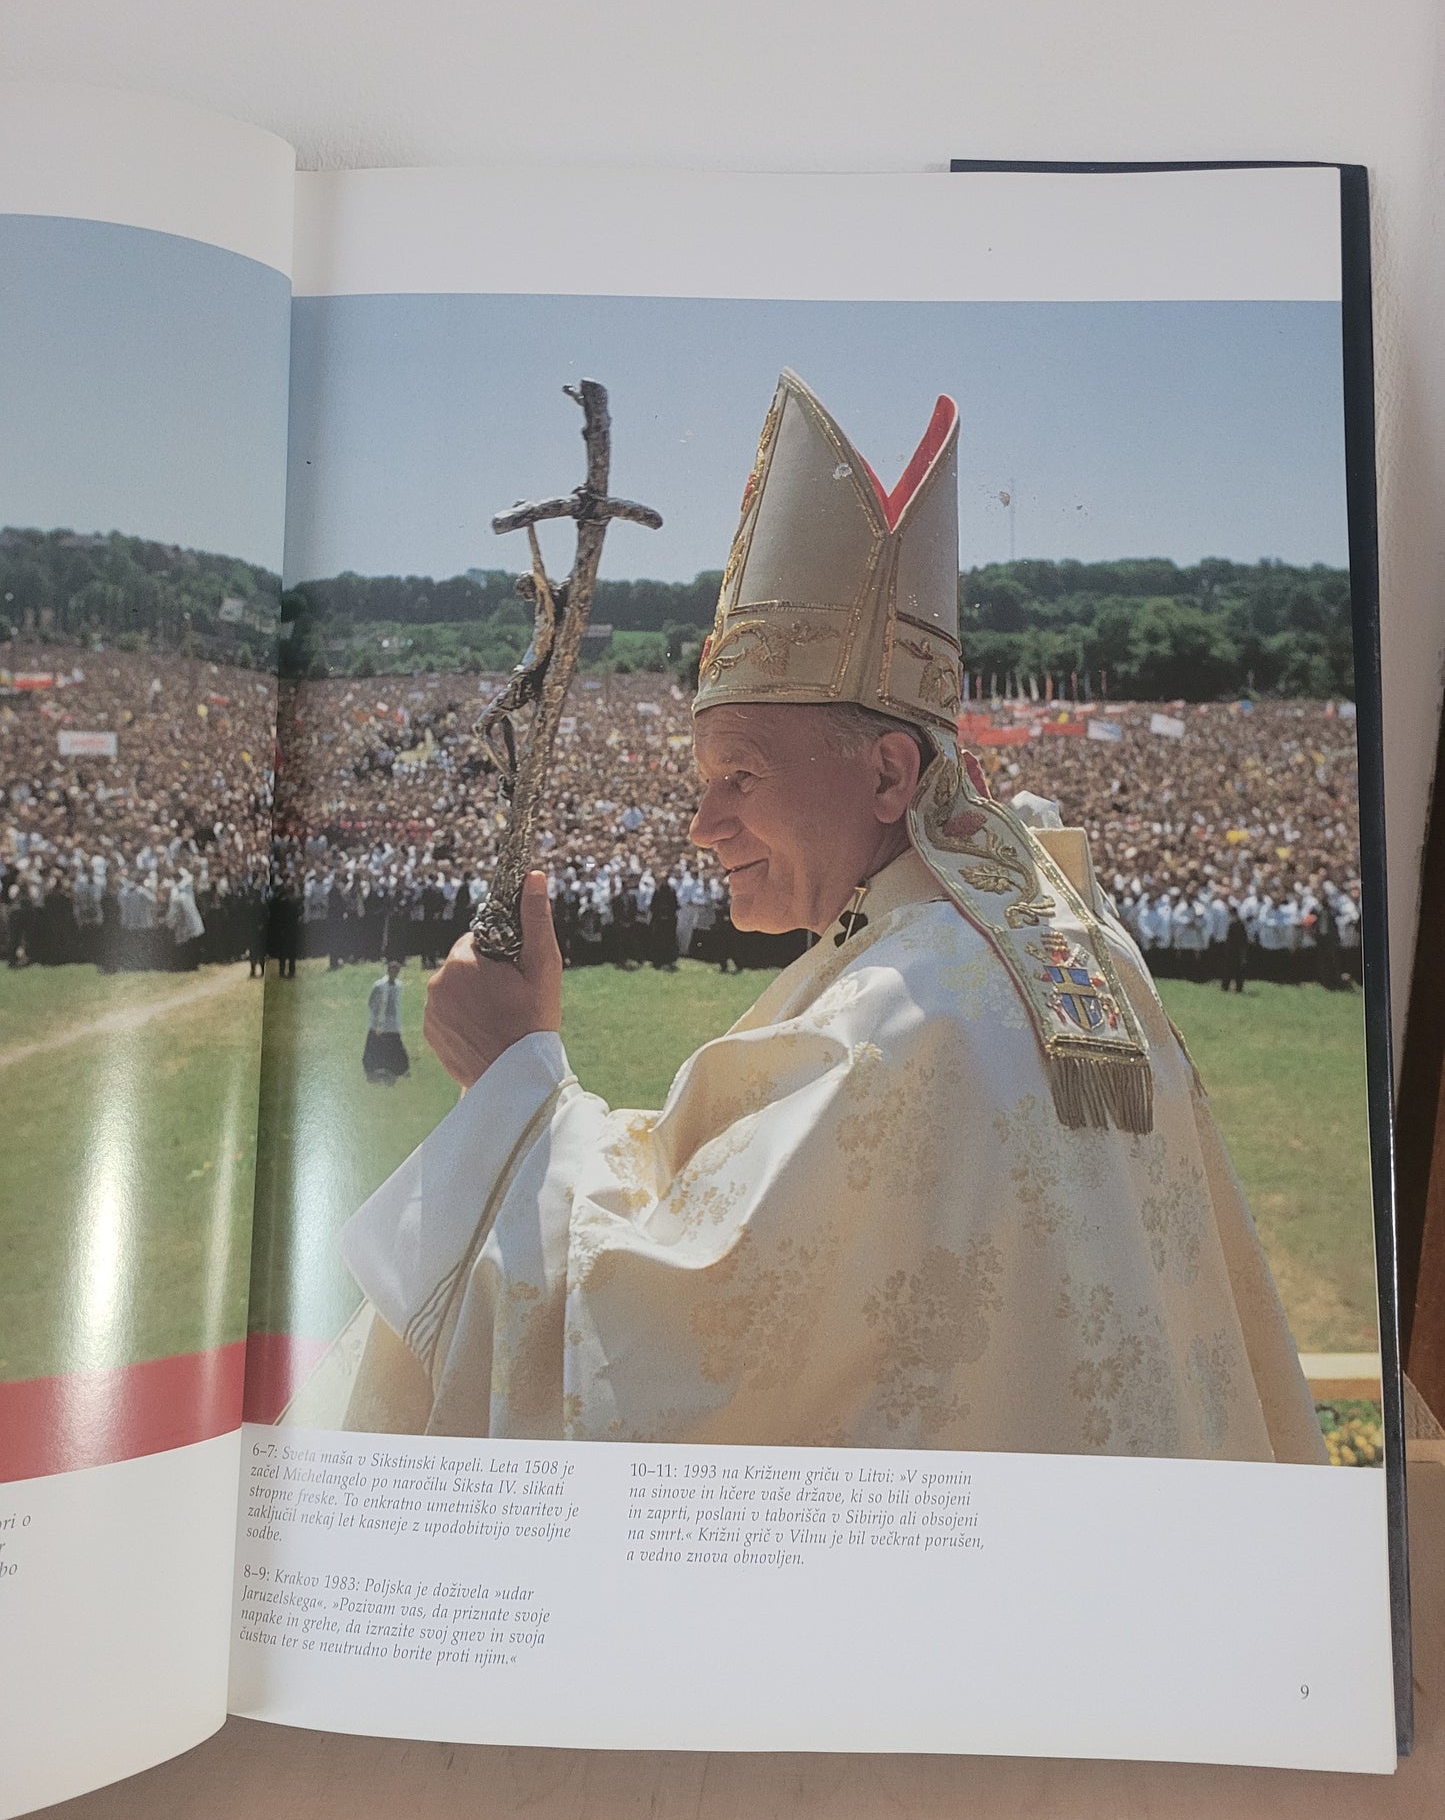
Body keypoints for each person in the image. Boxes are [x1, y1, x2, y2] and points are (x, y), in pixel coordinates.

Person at [326, 369, 1325, 1466]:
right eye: (699, 780)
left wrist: (514, 1077)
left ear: (889, 773)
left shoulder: (907, 1023)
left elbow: (656, 1354)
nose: (701, 825)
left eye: (741, 777)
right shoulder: (1042, 937)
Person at [363, 958, 410, 1084]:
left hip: (392, 1023)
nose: (394, 973)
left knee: (395, 1047)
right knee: (375, 1047)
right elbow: (371, 1002)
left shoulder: (399, 986)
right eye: (392, 971)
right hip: (379, 1022)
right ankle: (372, 1072)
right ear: (388, 971)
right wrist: (376, 1017)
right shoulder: (379, 985)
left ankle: (399, 1070)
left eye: (397, 971)